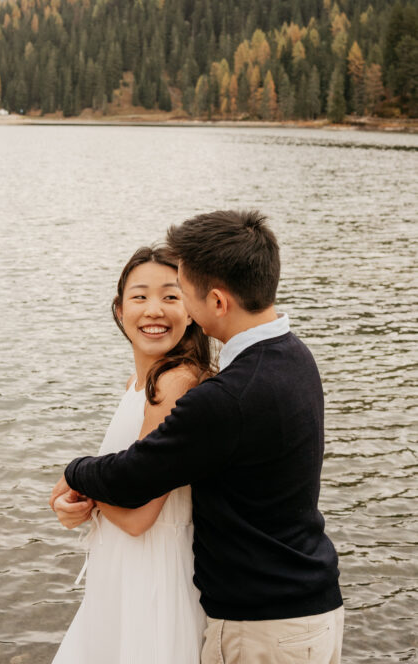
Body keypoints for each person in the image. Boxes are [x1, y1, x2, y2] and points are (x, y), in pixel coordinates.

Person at [50, 210, 344, 664]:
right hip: (301, 606)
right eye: (140, 296)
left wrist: (74, 473)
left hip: (262, 623)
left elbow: (133, 485)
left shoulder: (223, 394)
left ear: (217, 302)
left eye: (180, 292)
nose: (169, 306)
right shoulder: (292, 356)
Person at [51, 245, 214, 664]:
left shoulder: (174, 384)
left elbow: (141, 516)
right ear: (120, 310)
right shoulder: (139, 382)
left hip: (153, 576)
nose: (154, 310)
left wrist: (80, 487)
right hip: (123, 570)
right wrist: (79, 499)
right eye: (139, 297)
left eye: (171, 296)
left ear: (193, 310)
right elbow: (123, 486)